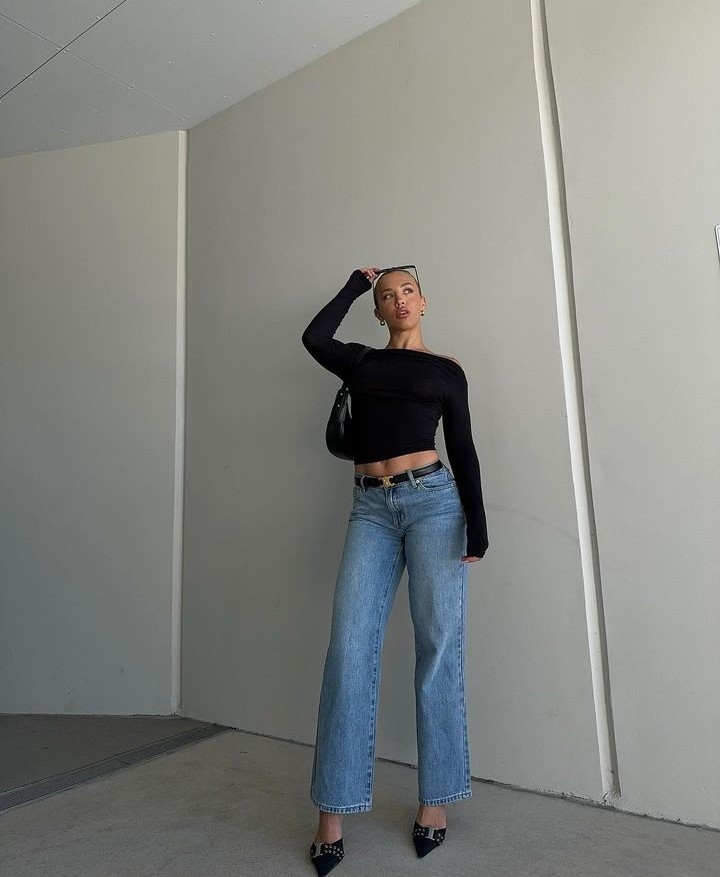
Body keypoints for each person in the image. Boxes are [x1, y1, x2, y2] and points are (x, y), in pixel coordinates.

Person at [301, 265, 488, 875]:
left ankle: (436, 800)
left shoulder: (447, 371)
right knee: (348, 650)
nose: (399, 299)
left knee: (438, 646)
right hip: (370, 510)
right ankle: (333, 813)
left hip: (435, 504)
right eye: (387, 295)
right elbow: (314, 337)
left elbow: (463, 447)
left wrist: (478, 524)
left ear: (423, 302)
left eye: (407, 291)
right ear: (378, 311)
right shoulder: (361, 361)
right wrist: (355, 284)